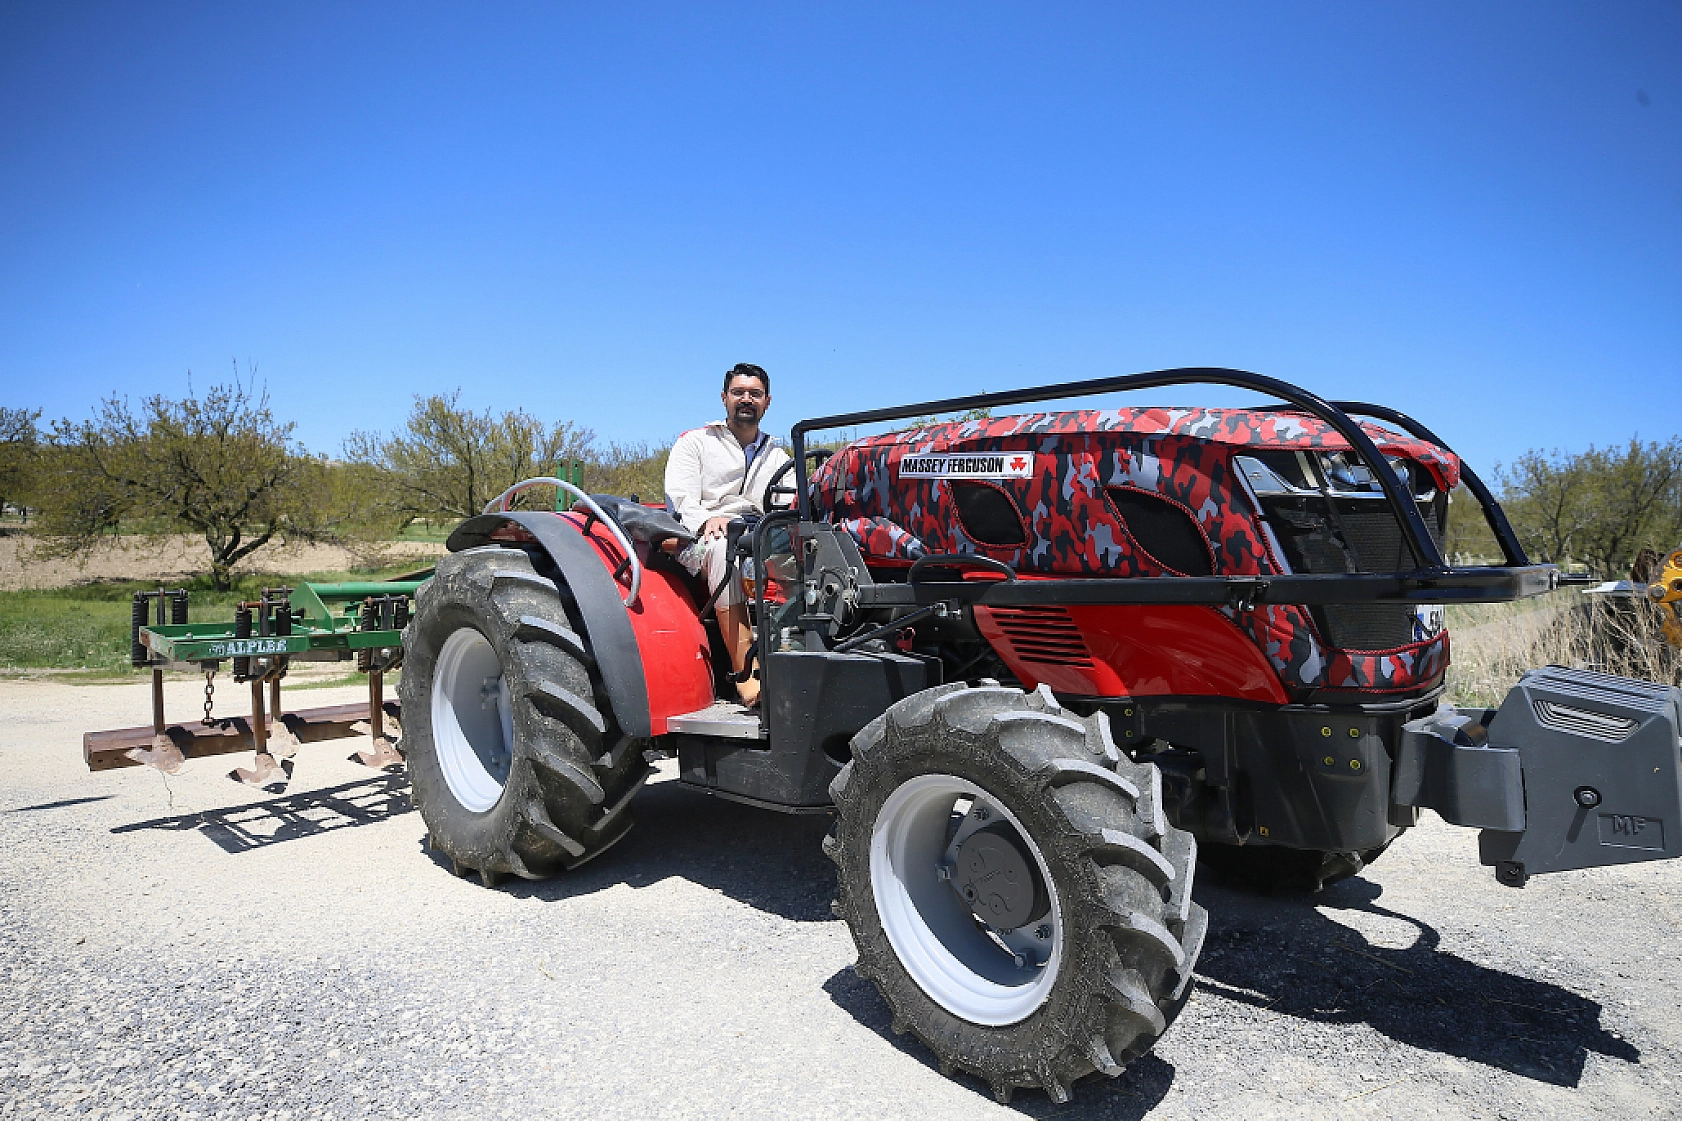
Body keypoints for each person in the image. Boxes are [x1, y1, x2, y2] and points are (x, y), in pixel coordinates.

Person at [663, 363, 791, 707]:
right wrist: (707, 520)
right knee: (724, 548)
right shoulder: (695, 443)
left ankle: (798, 654)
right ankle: (747, 675)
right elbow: (681, 498)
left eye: (755, 394)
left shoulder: (777, 455)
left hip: (758, 534)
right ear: (724, 398)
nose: (746, 399)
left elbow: (788, 503)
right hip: (699, 537)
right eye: (738, 393)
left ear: (767, 402)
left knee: (810, 546)